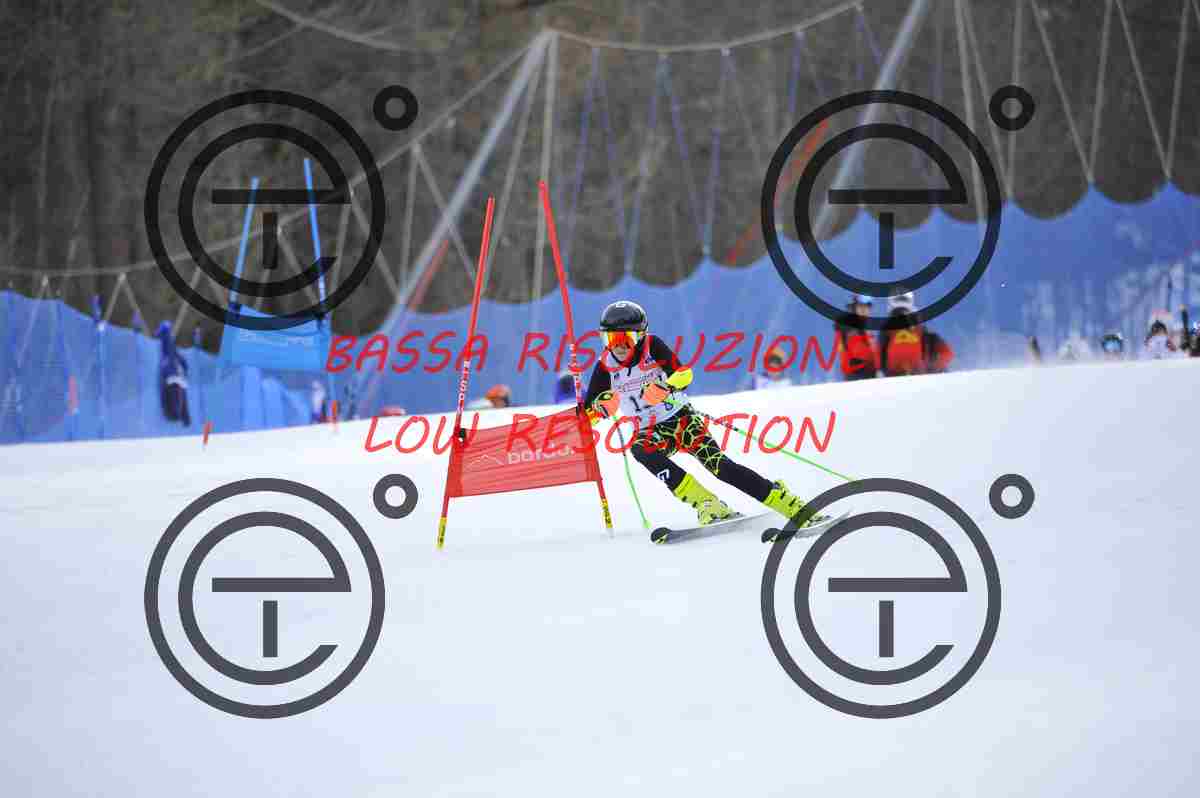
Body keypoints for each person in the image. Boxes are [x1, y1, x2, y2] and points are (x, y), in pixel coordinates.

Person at [581, 300, 829, 529]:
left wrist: (665, 387)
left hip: (682, 420)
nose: (618, 346)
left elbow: (684, 374)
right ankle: (706, 503)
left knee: (721, 468)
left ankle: (788, 503)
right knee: (641, 450)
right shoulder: (605, 365)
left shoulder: (651, 346)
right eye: (610, 339)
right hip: (650, 430)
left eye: (625, 338)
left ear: (641, 336)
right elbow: (587, 414)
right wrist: (599, 409)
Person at [877, 291, 954, 376]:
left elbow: (946, 352)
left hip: (917, 375)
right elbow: (879, 354)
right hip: (897, 376)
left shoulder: (924, 332)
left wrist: (934, 367)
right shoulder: (887, 332)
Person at [833, 294, 879, 381]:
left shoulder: (865, 327)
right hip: (857, 374)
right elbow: (857, 349)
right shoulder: (850, 326)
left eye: (867, 307)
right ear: (855, 308)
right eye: (861, 306)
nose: (864, 310)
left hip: (868, 374)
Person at [156, 322, 191, 426]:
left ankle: (174, 415)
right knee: (181, 395)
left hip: (169, 376)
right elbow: (177, 355)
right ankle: (184, 417)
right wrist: (184, 365)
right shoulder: (169, 343)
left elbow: (173, 355)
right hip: (175, 375)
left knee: (170, 396)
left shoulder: (165, 342)